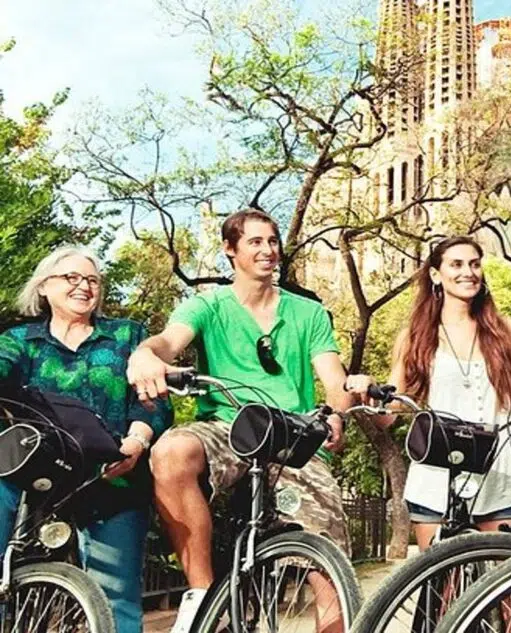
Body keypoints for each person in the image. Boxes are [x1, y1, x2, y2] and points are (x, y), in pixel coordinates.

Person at [126, 209, 352, 633]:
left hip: (290, 434)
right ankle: (203, 596)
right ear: (230, 250)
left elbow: (333, 379)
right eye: (255, 242)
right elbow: (170, 341)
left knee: (327, 554)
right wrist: (146, 354)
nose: (267, 250)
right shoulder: (207, 304)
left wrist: (337, 413)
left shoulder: (308, 313)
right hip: (227, 427)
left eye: (272, 241)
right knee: (171, 452)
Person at [0, 248, 170, 633]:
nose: (84, 286)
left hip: (112, 471)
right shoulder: (20, 341)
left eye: (92, 280)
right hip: (34, 471)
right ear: (44, 287)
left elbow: (153, 402)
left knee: (117, 594)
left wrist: (137, 442)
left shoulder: (127, 336)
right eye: (71, 278)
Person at [345, 236, 511, 550]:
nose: (468, 272)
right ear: (436, 274)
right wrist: (366, 394)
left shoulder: (506, 332)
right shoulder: (415, 338)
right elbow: (391, 414)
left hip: (501, 470)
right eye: (456, 264)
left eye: (474, 264)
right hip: (437, 473)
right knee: (443, 588)